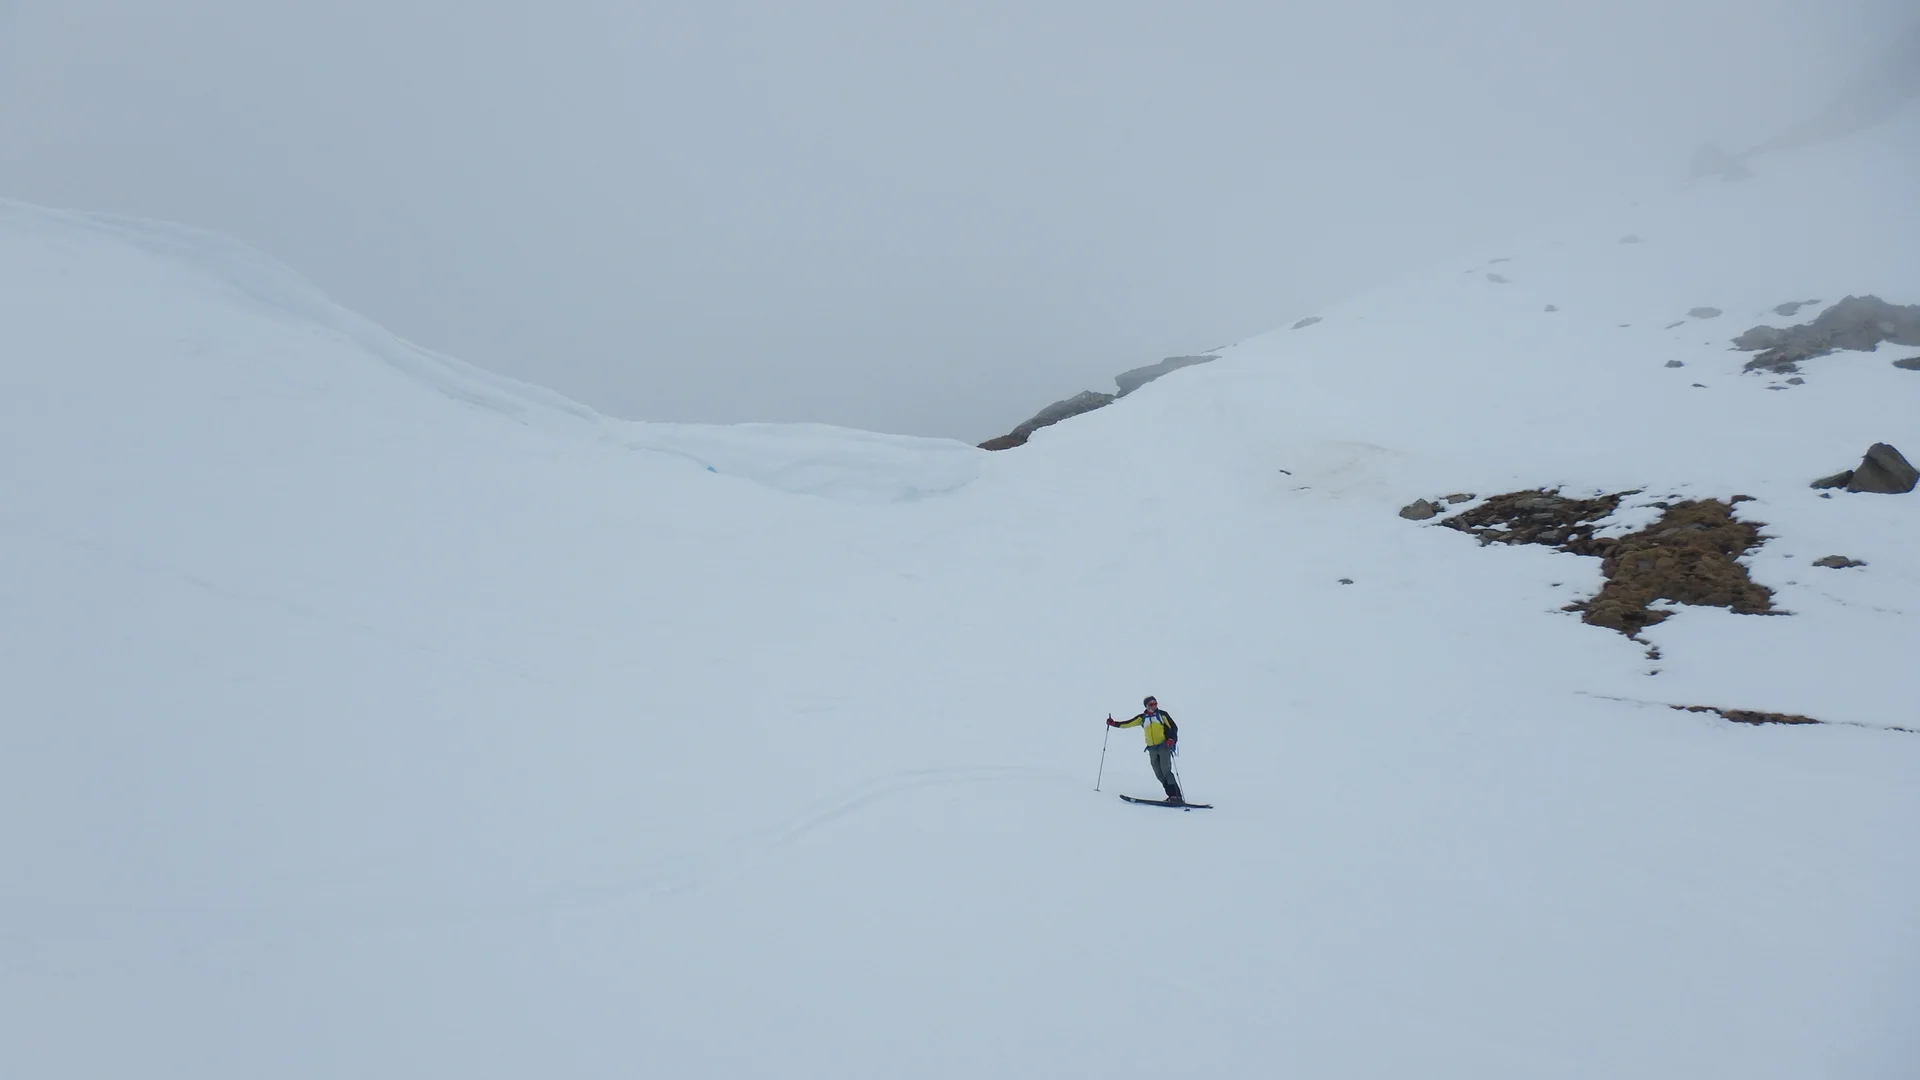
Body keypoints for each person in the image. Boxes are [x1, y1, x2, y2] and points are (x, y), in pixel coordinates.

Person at [1108, 696, 1181, 802]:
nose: (1154, 706)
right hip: (1152, 748)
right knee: (1158, 773)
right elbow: (1128, 723)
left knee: (1166, 771)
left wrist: (1171, 739)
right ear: (1146, 706)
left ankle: (1176, 796)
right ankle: (1171, 795)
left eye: (1155, 704)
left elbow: (1174, 728)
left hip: (1163, 746)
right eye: (1151, 704)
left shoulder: (1162, 715)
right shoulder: (1142, 718)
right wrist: (1114, 723)